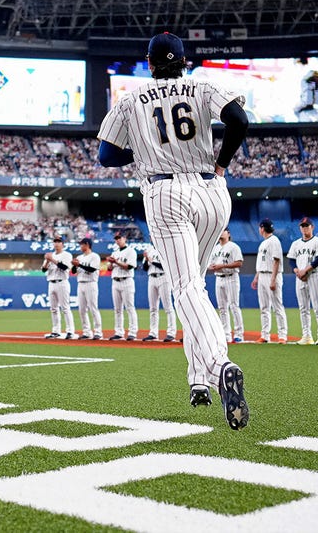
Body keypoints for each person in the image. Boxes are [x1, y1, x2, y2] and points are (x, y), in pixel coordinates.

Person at [97, 31, 250, 430]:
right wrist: (222, 164)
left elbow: (106, 155)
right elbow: (238, 120)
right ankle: (198, 379)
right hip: (213, 191)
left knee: (184, 288)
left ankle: (219, 367)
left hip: (166, 192)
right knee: (194, 287)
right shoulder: (202, 85)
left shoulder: (130, 99)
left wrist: (145, 147)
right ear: (184, 62)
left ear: (149, 64)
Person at [287, 217, 318, 345]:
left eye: (307, 226)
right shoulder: (296, 244)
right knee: (303, 308)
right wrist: (297, 271)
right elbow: (291, 260)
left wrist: (305, 270)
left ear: (312, 227)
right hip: (300, 277)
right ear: (300, 228)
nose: (305, 228)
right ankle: (307, 336)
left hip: (314, 275)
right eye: (302, 226)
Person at [252, 218, 287, 344]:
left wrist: (272, 280)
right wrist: (256, 277)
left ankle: (282, 335)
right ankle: (265, 335)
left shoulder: (274, 241)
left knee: (277, 306)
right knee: (264, 307)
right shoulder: (263, 243)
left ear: (262, 228)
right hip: (262, 275)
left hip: (272, 275)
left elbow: (276, 260)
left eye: (260, 227)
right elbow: (262, 262)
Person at [209, 229, 245, 344]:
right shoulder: (215, 248)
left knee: (234, 306)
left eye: (223, 231)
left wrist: (222, 265)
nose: (221, 233)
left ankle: (239, 334)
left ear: (228, 233)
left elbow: (239, 263)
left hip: (231, 277)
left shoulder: (233, 247)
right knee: (222, 308)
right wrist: (213, 267)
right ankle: (226, 334)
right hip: (219, 278)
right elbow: (210, 264)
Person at [40, 236, 76, 339]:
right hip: (51, 282)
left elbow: (65, 267)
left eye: (58, 242)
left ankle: (70, 331)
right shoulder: (50, 255)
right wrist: (47, 261)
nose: (56, 243)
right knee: (53, 309)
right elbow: (43, 270)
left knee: (65, 307)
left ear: (62, 244)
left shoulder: (66, 255)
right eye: (55, 241)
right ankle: (56, 331)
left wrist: (52, 259)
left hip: (62, 282)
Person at [106, 232, 139, 341]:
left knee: (129, 307)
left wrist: (115, 261)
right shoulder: (114, 252)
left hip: (126, 280)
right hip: (115, 281)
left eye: (119, 238)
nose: (117, 240)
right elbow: (109, 269)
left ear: (124, 239)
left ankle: (133, 332)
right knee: (117, 309)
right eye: (116, 239)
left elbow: (129, 266)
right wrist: (111, 263)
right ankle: (119, 332)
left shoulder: (131, 251)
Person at [141, 244, 177, 342]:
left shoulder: (165, 248)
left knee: (168, 307)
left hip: (163, 277)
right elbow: (144, 268)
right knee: (153, 308)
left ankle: (171, 332)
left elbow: (166, 267)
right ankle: (153, 332)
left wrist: (152, 260)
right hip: (151, 278)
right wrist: (147, 259)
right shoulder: (149, 250)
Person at [71, 237, 103, 339]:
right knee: (81, 310)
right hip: (80, 284)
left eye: (82, 244)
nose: (80, 246)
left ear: (87, 245)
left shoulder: (94, 256)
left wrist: (79, 264)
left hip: (91, 283)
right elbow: (73, 271)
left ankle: (98, 332)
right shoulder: (79, 257)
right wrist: (75, 265)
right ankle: (86, 332)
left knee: (93, 308)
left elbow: (92, 269)